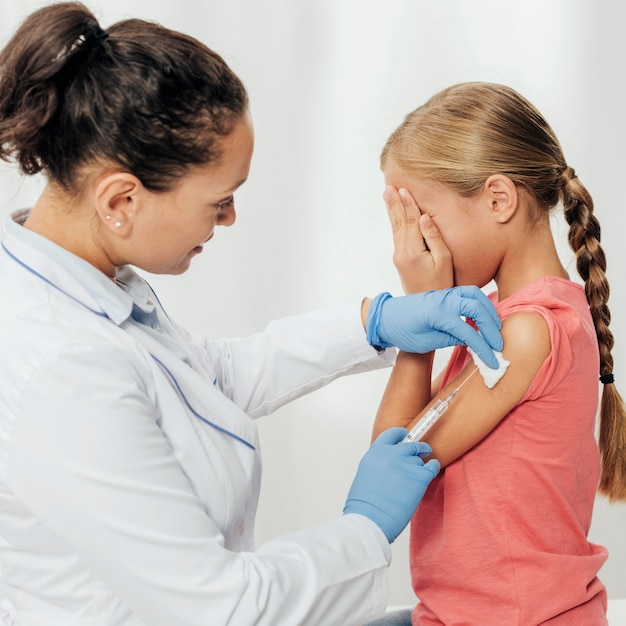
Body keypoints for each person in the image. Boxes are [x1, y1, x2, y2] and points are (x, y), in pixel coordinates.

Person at [0, 5, 505, 625]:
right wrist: (364, 525)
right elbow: (224, 606)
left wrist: (374, 321)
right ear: (121, 200)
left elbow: (204, 377)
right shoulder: (60, 366)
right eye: (220, 201)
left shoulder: (83, 276)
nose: (230, 219)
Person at [371, 82, 626, 625]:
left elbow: (391, 461)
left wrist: (420, 308)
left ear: (498, 199)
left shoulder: (528, 331)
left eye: (421, 218)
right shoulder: (507, 315)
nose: (411, 244)